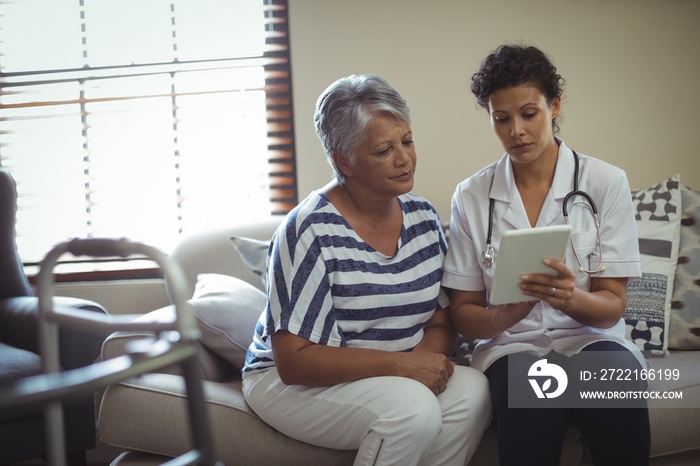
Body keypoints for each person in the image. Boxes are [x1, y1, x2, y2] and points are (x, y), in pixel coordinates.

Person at [242, 74, 492, 466]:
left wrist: (421, 364)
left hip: (387, 374)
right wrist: (402, 368)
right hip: (288, 383)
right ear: (345, 160)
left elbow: (442, 323)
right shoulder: (307, 229)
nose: (404, 158)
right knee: (411, 410)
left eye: (407, 142)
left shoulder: (424, 218)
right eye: (383, 150)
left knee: (474, 390)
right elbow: (294, 361)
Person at [442, 44, 651, 466]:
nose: (515, 130)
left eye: (528, 114)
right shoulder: (472, 196)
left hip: (591, 337)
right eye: (501, 119)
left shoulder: (605, 183)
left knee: (613, 388)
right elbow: (463, 311)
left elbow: (612, 307)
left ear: (554, 107)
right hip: (512, 347)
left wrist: (570, 299)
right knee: (533, 403)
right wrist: (504, 316)